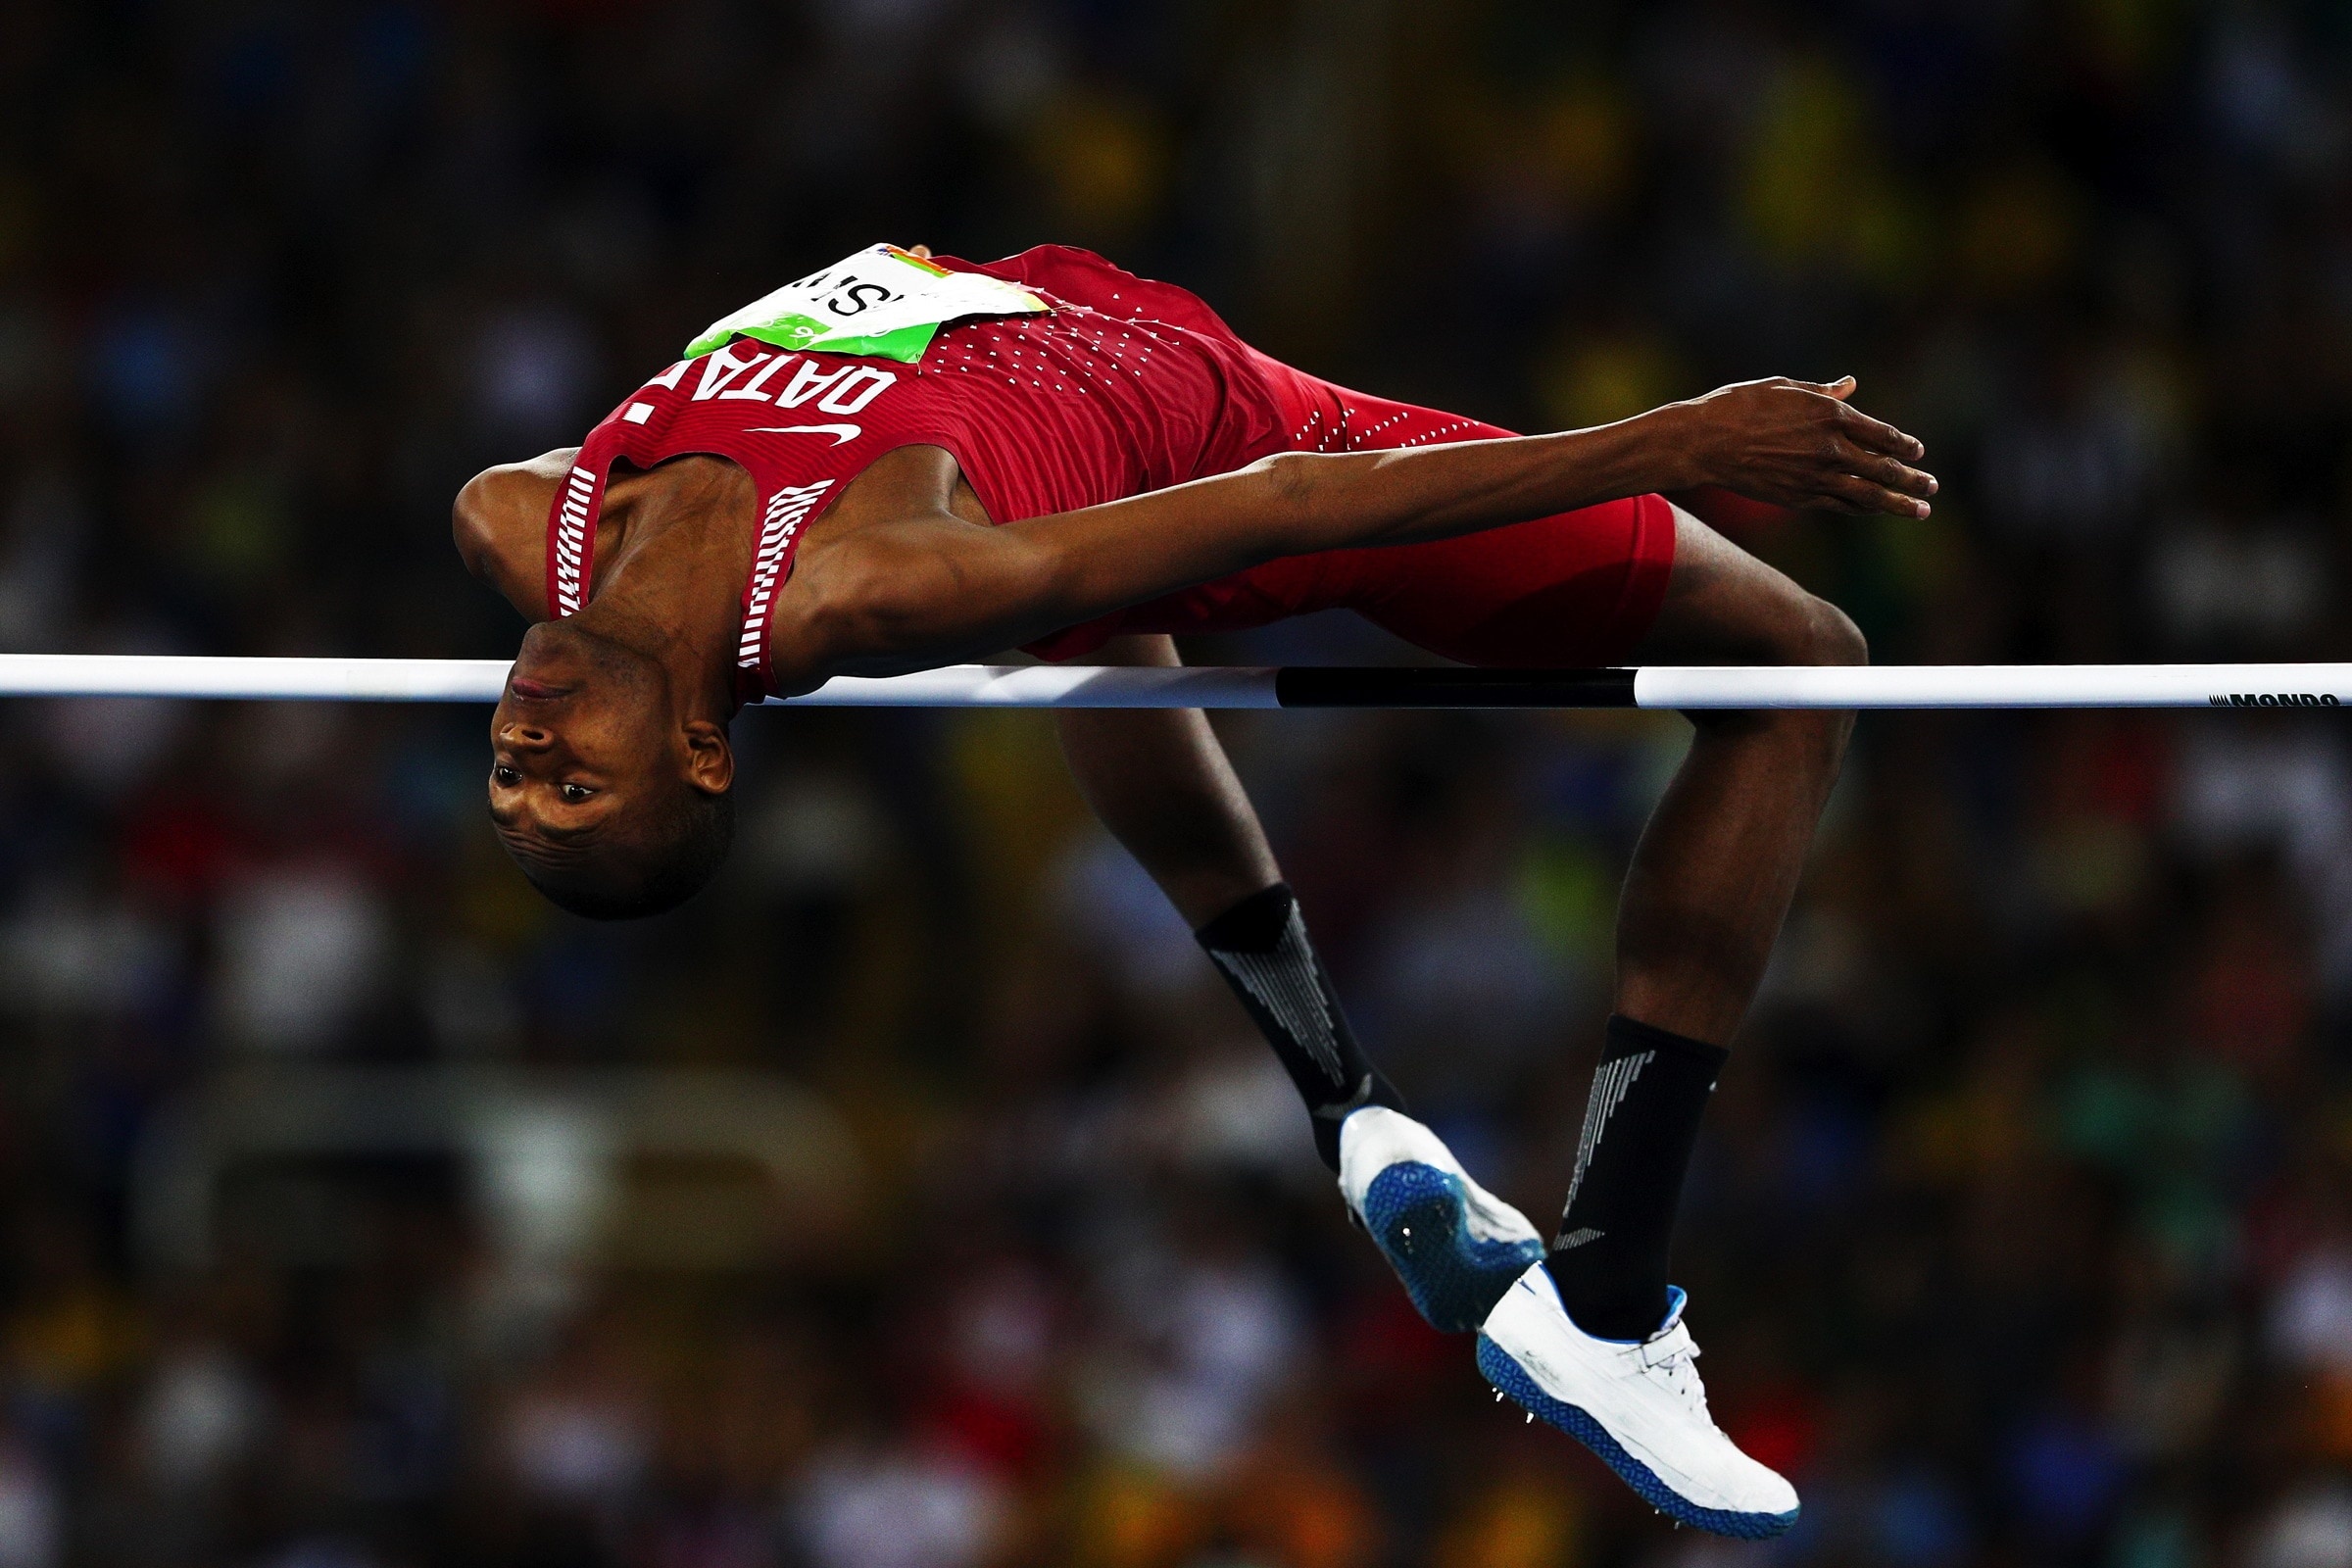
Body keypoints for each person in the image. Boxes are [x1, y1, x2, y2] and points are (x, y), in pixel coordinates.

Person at [454, 242, 1936, 1537]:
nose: (523, 754)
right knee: (1799, 657)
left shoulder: (519, 520)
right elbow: (1290, 502)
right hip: (1237, 435)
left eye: (520, 783)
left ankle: (1352, 1107)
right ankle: (1608, 1297)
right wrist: (1675, 438)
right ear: (706, 753)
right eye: (572, 784)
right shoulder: (866, 593)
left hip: (1074, 329)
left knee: (1064, 609)